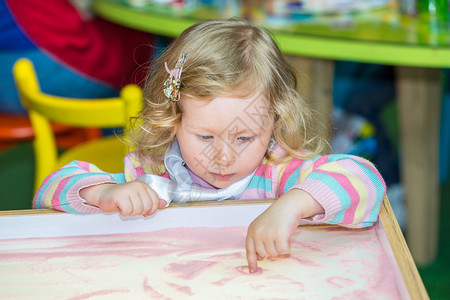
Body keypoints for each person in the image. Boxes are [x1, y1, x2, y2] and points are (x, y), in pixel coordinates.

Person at [34, 19, 386, 273]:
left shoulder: (281, 170)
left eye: (244, 138)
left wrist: (293, 205)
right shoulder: (153, 172)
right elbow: (48, 193)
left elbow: (365, 180)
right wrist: (105, 194)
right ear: (173, 119)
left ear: (275, 121)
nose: (223, 157)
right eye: (205, 137)